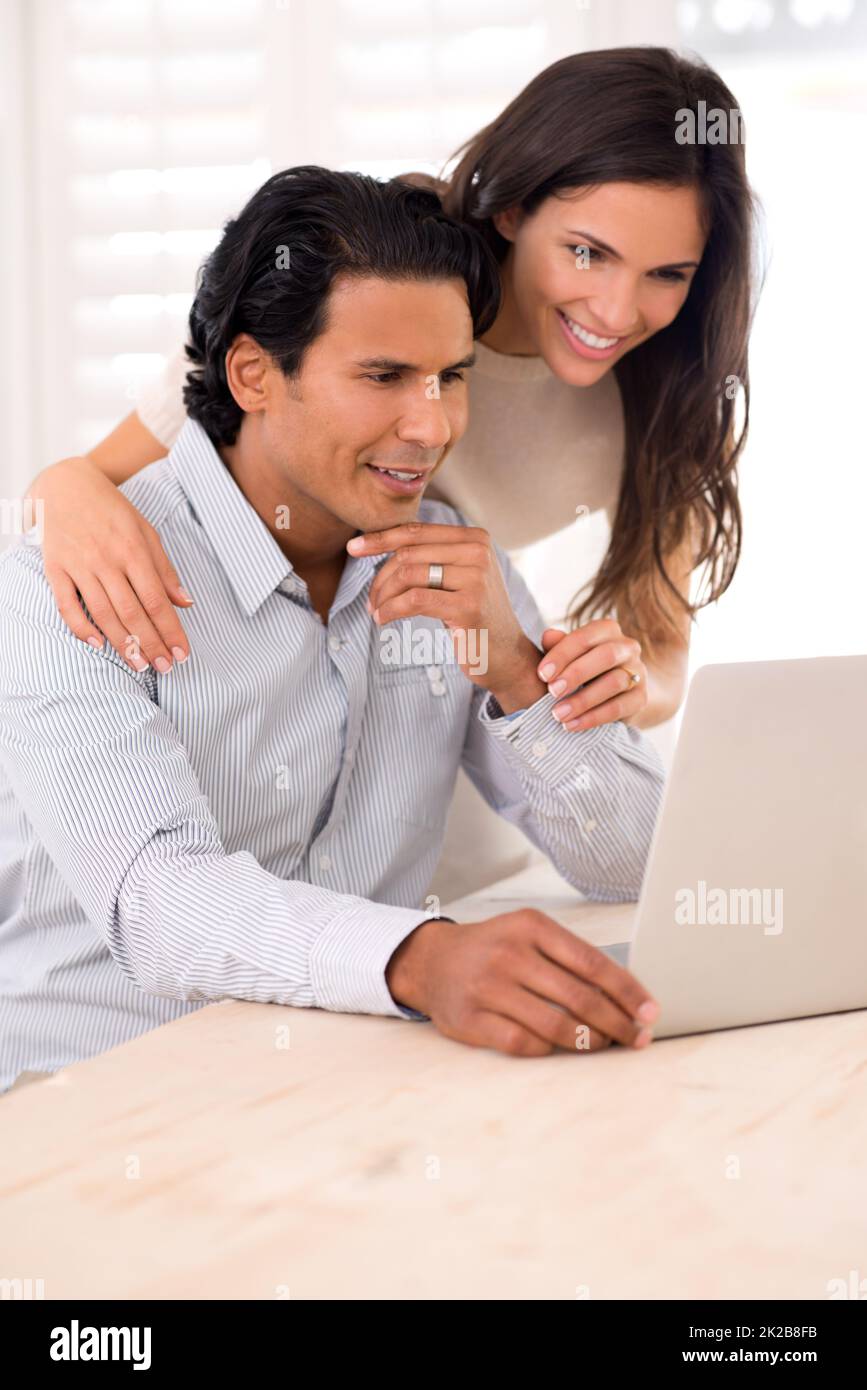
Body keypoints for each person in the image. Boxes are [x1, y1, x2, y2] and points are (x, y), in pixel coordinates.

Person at [0, 167, 665, 1093]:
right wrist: (420, 958)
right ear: (254, 375)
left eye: (450, 378)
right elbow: (156, 902)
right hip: (87, 1106)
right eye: (384, 377)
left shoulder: (456, 566)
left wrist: (515, 667)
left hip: (343, 1090)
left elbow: (632, 864)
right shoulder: (67, 578)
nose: (431, 425)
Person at [27, 47, 758, 739]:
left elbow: (664, 659)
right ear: (511, 208)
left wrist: (621, 684)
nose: (615, 310)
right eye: (587, 253)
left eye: (667, 273)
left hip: (445, 759)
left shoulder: (672, 398)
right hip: (262, 751)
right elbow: (98, 477)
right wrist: (63, 486)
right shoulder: (389, 268)